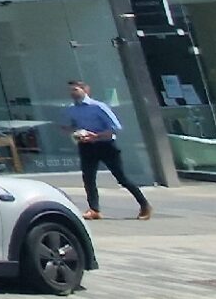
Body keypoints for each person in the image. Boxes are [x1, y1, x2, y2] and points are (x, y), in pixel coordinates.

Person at [61, 79, 151, 220]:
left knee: (121, 178)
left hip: (105, 145)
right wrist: (72, 131)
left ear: (85, 90)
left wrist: (96, 136)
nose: (72, 93)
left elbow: (115, 128)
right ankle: (94, 209)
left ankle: (144, 205)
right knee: (88, 178)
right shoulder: (71, 109)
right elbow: (74, 126)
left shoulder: (98, 107)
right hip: (86, 146)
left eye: (75, 90)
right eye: (71, 91)